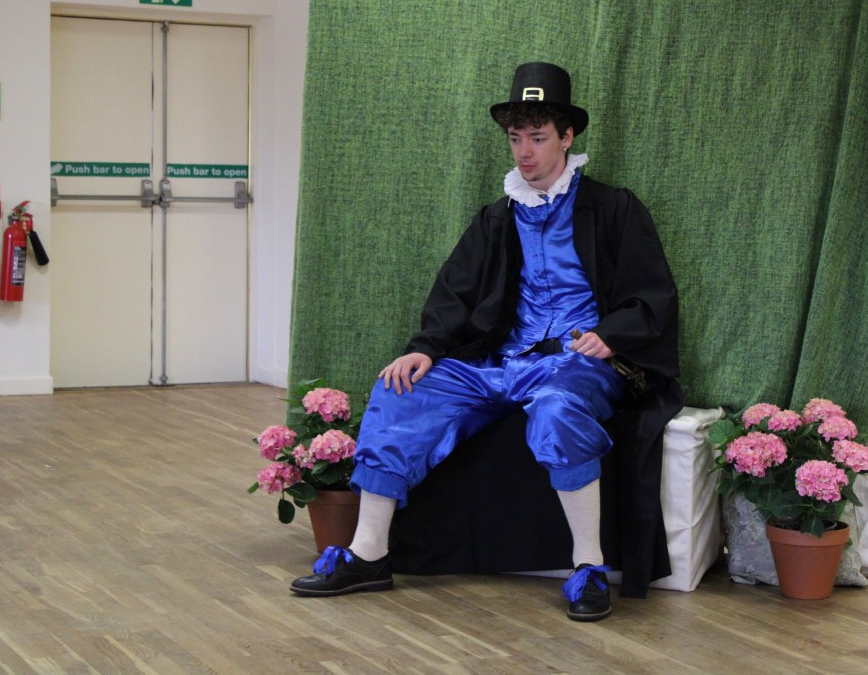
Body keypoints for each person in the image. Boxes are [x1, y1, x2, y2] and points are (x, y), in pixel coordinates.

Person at [290, 62, 680, 622]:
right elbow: (456, 290)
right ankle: (368, 553)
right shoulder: (498, 217)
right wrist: (425, 346)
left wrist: (610, 336)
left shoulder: (614, 209)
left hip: (577, 361)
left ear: (568, 137)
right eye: (516, 138)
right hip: (501, 361)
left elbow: (653, 295)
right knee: (401, 389)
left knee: (558, 408)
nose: (524, 151)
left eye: (538, 138)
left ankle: (588, 567)